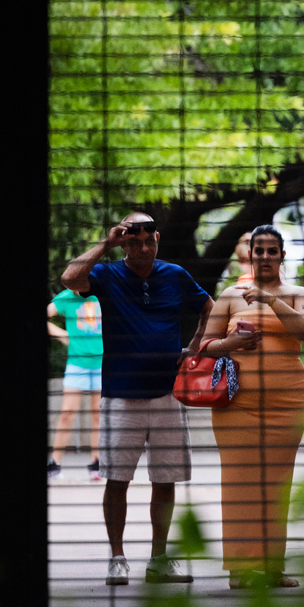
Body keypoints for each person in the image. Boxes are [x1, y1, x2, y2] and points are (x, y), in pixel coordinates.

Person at [61, 212, 214, 586]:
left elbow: (208, 307)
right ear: (124, 243)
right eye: (134, 242)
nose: (143, 249)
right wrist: (106, 243)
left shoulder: (175, 274)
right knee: (117, 480)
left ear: (157, 238)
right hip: (121, 396)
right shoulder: (107, 274)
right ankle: (117, 559)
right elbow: (69, 279)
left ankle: (159, 560)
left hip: (167, 395)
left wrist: (194, 347)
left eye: (148, 241)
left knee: (166, 480)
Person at [196, 226, 304, 588]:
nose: (264, 257)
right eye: (258, 251)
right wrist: (231, 343)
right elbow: (205, 346)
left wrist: (269, 300)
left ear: (282, 256)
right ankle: (240, 569)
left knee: (278, 483)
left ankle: (273, 568)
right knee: (240, 482)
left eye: (271, 251)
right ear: (249, 255)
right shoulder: (230, 296)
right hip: (237, 404)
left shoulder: (299, 294)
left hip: (287, 403)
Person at [47, 289, 103, 482]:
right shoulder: (67, 297)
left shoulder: (102, 293)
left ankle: (96, 464)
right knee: (67, 414)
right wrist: (62, 334)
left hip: (101, 364)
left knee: (98, 415)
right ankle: (54, 464)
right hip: (76, 364)